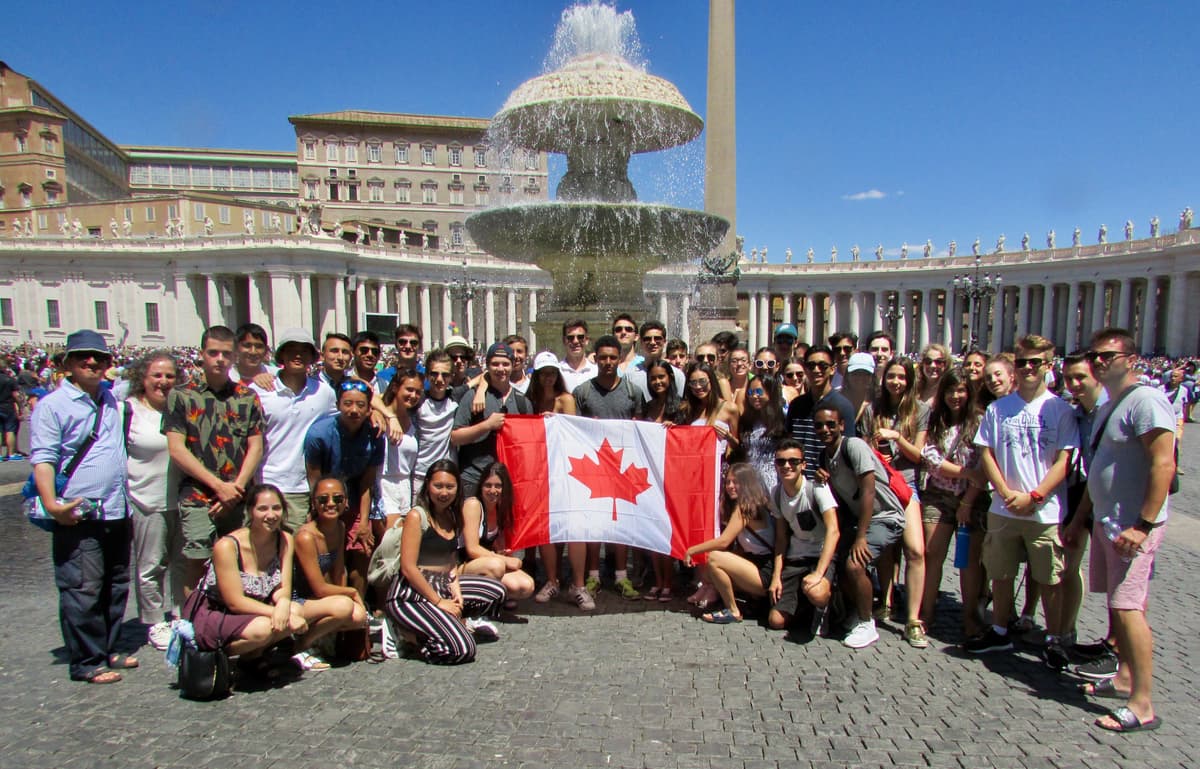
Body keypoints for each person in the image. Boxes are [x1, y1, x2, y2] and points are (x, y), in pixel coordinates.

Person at [1065, 328, 1175, 733]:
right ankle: (1125, 677)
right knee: (1120, 605)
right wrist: (1080, 519)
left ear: (1130, 358)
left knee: (1130, 611)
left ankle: (1142, 704)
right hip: (1110, 523)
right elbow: (1099, 470)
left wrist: (1143, 525)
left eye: (1107, 356)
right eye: (1094, 355)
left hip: (1132, 527)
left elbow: (1164, 462)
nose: (1098, 362)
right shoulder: (1113, 404)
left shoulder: (1146, 401)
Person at [967, 335, 1079, 665]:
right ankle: (1000, 630)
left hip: (1045, 509)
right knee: (1000, 573)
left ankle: (1055, 638)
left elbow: (1064, 460)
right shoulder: (998, 408)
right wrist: (1004, 492)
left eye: (1035, 362)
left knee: (1049, 578)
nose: (1028, 368)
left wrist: (1035, 495)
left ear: (1048, 364)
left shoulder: (1060, 409)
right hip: (1004, 506)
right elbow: (986, 453)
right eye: (1022, 362)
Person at [31, 330, 133, 684]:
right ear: (68, 364)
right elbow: (43, 458)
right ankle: (86, 660)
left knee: (116, 583)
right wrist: (51, 504)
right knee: (82, 586)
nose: (92, 363)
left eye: (99, 358)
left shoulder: (112, 399)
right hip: (77, 511)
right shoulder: (52, 406)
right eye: (82, 357)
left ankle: (108, 647)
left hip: (117, 507)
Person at [183, 484, 353, 675]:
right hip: (218, 612)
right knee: (265, 628)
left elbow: (283, 587)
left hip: (255, 608)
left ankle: (252, 658)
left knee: (294, 609)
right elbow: (235, 602)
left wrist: (283, 606)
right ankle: (217, 656)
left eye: (276, 508)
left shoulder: (284, 539)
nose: (271, 515)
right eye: (263, 509)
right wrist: (280, 614)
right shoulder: (227, 546)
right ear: (250, 511)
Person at [165, 325, 265, 596]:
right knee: (197, 563)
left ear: (234, 357)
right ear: (202, 355)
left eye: (226, 353)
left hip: (239, 494)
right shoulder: (182, 396)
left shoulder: (247, 397)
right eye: (213, 353)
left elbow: (255, 446)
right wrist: (218, 487)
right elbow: (177, 449)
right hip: (199, 495)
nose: (220, 359)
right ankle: (193, 628)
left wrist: (236, 488)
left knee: (242, 560)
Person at [383, 460, 507, 664]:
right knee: (463, 650)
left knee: (496, 591)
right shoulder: (417, 516)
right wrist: (440, 602)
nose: (444, 493)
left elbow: (450, 562)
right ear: (428, 486)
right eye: (438, 486)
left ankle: (448, 622)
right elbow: (408, 568)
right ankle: (406, 634)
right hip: (410, 594)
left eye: (450, 487)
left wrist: (456, 590)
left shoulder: (452, 515)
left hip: (441, 584)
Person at [814, 405, 906, 649]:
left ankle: (867, 624)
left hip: (884, 516)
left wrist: (861, 537)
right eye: (819, 425)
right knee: (841, 565)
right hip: (859, 521)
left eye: (830, 424)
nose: (825, 429)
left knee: (856, 564)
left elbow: (868, 491)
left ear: (842, 425)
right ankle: (857, 611)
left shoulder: (854, 446)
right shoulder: (825, 456)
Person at [572, 335, 647, 604]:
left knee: (622, 523)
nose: (607, 362)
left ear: (619, 358)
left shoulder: (632, 392)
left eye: (612, 357)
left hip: (623, 466)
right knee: (594, 524)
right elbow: (572, 430)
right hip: (593, 468)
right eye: (602, 357)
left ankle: (620, 575)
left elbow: (641, 427)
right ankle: (593, 575)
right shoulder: (582, 392)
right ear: (595, 358)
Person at [860, 356, 929, 646]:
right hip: (881, 485)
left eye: (901, 377)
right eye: (891, 376)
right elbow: (861, 448)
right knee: (886, 550)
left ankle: (913, 619)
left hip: (907, 484)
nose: (896, 382)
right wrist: (875, 451)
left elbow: (920, 455)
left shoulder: (921, 409)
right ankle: (885, 600)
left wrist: (897, 437)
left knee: (915, 550)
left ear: (910, 380)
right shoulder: (871, 409)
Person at [122, 350, 184, 651]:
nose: (163, 381)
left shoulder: (181, 407)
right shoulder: (129, 411)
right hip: (146, 497)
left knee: (182, 562)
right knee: (151, 564)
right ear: (142, 379)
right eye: (157, 376)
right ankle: (153, 620)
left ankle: (179, 612)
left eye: (169, 376)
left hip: (182, 496)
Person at [919, 367, 986, 638]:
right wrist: (964, 472)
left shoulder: (980, 421)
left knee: (969, 560)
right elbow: (930, 458)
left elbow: (984, 465)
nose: (955, 396)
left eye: (960, 390)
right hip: (938, 494)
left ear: (969, 393)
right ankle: (926, 612)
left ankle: (970, 616)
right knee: (932, 554)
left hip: (972, 497)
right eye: (950, 390)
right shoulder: (936, 420)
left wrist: (968, 499)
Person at [304, 379, 386, 599]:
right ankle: (331, 605)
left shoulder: (375, 435)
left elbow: (367, 482)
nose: (353, 410)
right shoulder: (319, 434)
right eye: (348, 404)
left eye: (360, 405)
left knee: (362, 549)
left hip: (356, 496)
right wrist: (320, 511)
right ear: (338, 405)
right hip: (326, 498)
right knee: (329, 555)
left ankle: (356, 604)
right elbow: (314, 478)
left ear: (369, 408)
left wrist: (364, 521)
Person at [252, 329, 335, 532]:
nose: (298, 356)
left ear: (312, 357)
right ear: (281, 355)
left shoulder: (324, 393)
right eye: (291, 350)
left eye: (303, 351)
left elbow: (336, 428)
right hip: (266, 482)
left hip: (301, 487)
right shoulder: (260, 391)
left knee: (297, 550)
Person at [684, 464, 779, 624]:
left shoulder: (745, 506)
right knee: (709, 570)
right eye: (727, 482)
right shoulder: (753, 502)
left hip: (766, 570)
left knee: (714, 558)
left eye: (736, 482)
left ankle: (733, 610)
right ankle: (744, 598)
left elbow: (724, 541)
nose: (730, 486)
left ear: (747, 483)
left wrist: (691, 550)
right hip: (756, 564)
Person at [293, 477, 370, 666]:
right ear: (314, 503)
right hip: (298, 600)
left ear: (346, 502)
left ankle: (320, 639)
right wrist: (350, 593)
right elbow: (319, 588)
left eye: (337, 499)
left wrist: (344, 596)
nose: (330, 504)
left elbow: (339, 572)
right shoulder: (305, 536)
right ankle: (300, 646)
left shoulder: (340, 527)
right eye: (323, 499)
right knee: (344, 607)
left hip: (320, 599)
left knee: (358, 615)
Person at [768, 439, 840, 632]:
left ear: (803, 465)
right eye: (781, 461)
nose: (787, 466)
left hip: (821, 554)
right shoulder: (776, 494)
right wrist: (776, 576)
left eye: (793, 461)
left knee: (816, 591)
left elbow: (833, 530)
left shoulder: (816, 488)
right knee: (776, 621)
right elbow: (781, 537)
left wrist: (818, 573)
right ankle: (806, 609)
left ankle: (827, 606)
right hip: (796, 556)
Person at [451, 342, 532, 499]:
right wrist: (487, 425)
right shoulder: (473, 396)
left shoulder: (522, 402)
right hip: (473, 478)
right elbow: (455, 437)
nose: (500, 369)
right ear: (487, 366)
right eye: (495, 364)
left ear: (512, 365)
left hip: (507, 482)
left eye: (505, 364)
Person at [460, 462, 535, 603]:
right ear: (481, 486)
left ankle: (494, 597)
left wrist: (504, 554)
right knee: (497, 566)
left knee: (526, 586)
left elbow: (499, 547)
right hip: (462, 564)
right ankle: (476, 605)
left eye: (498, 486)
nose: (492, 490)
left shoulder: (500, 508)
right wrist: (506, 560)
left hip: (487, 562)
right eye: (488, 485)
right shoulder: (473, 505)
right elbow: (472, 549)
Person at [785, 345, 856, 480]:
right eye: (811, 366)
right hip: (800, 483)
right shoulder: (796, 405)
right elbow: (790, 442)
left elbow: (848, 449)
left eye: (822, 366)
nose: (816, 370)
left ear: (832, 369)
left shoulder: (843, 406)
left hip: (831, 483)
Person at [378, 370, 423, 522]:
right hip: (383, 486)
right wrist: (390, 416)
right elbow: (365, 392)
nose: (413, 395)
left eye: (418, 392)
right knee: (390, 541)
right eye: (409, 389)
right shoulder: (378, 413)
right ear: (395, 387)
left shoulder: (414, 420)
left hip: (405, 488)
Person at [412, 350, 458, 492]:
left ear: (451, 377)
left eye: (445, 375)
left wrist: (481, 389)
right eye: (434, 374)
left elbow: (483, 377)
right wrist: (391, 416)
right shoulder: (417, 400)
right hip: (421, 474)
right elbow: (382, 399)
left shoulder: (456, 398)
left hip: (447, 474)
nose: (439, 379)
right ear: (426, 375)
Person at [740, 374, 786, 492]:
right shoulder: (746, 421)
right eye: (750, 392)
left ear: (770, 393)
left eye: (759, 391)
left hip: (773, 483)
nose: (754, 396)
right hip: (750, 484)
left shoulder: (782, 420)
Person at [527, 352, 576, 417]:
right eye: (543, 372)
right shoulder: (530, 400)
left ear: (557, 374)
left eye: (552, 372)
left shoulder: (566, 400)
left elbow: (571, 426)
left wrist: (555, 419)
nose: (548, 376)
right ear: (536, 375)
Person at [558, 320, 597, 393]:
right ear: (564, 340)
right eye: (570, 338)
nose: (575, 341)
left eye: (580, 337)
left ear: (587, 340)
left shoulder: (596, 371)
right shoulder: (557, 371)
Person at [917, 344, 950, 408]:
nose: (933, 365)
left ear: (946, 365)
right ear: (922, 364)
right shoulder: (914, 389)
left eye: (939, 362)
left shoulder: (949, 390)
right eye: (928, 361)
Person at [0, 362, 21, 461]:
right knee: (10, 430)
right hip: (8, 406)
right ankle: (11, 453)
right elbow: (16, 395)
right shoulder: (10, 380)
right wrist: (20, 407)